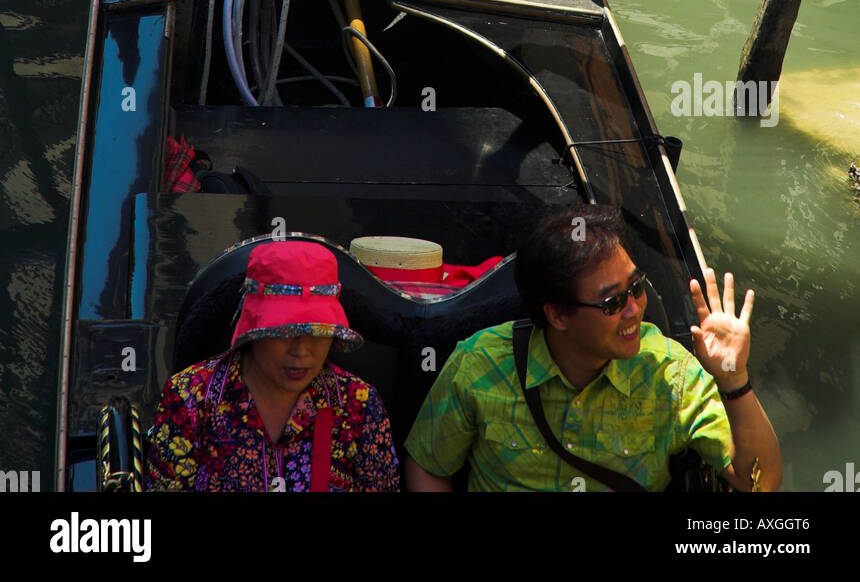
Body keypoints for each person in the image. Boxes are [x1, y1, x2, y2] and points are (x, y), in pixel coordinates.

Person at [403, 205, 781, 492]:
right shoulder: (480, 364)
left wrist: (734, 377)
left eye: (636, 288)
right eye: (612, 303)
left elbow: (759, 484)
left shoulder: (671, 374)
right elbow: (430, 464)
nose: (634, 309)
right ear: (558, 315)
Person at [145, 240, 399, 491]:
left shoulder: (359, 403)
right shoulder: (190, 397)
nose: (301, 351)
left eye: (318, 332)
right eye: (283, 332)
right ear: (255, 330)